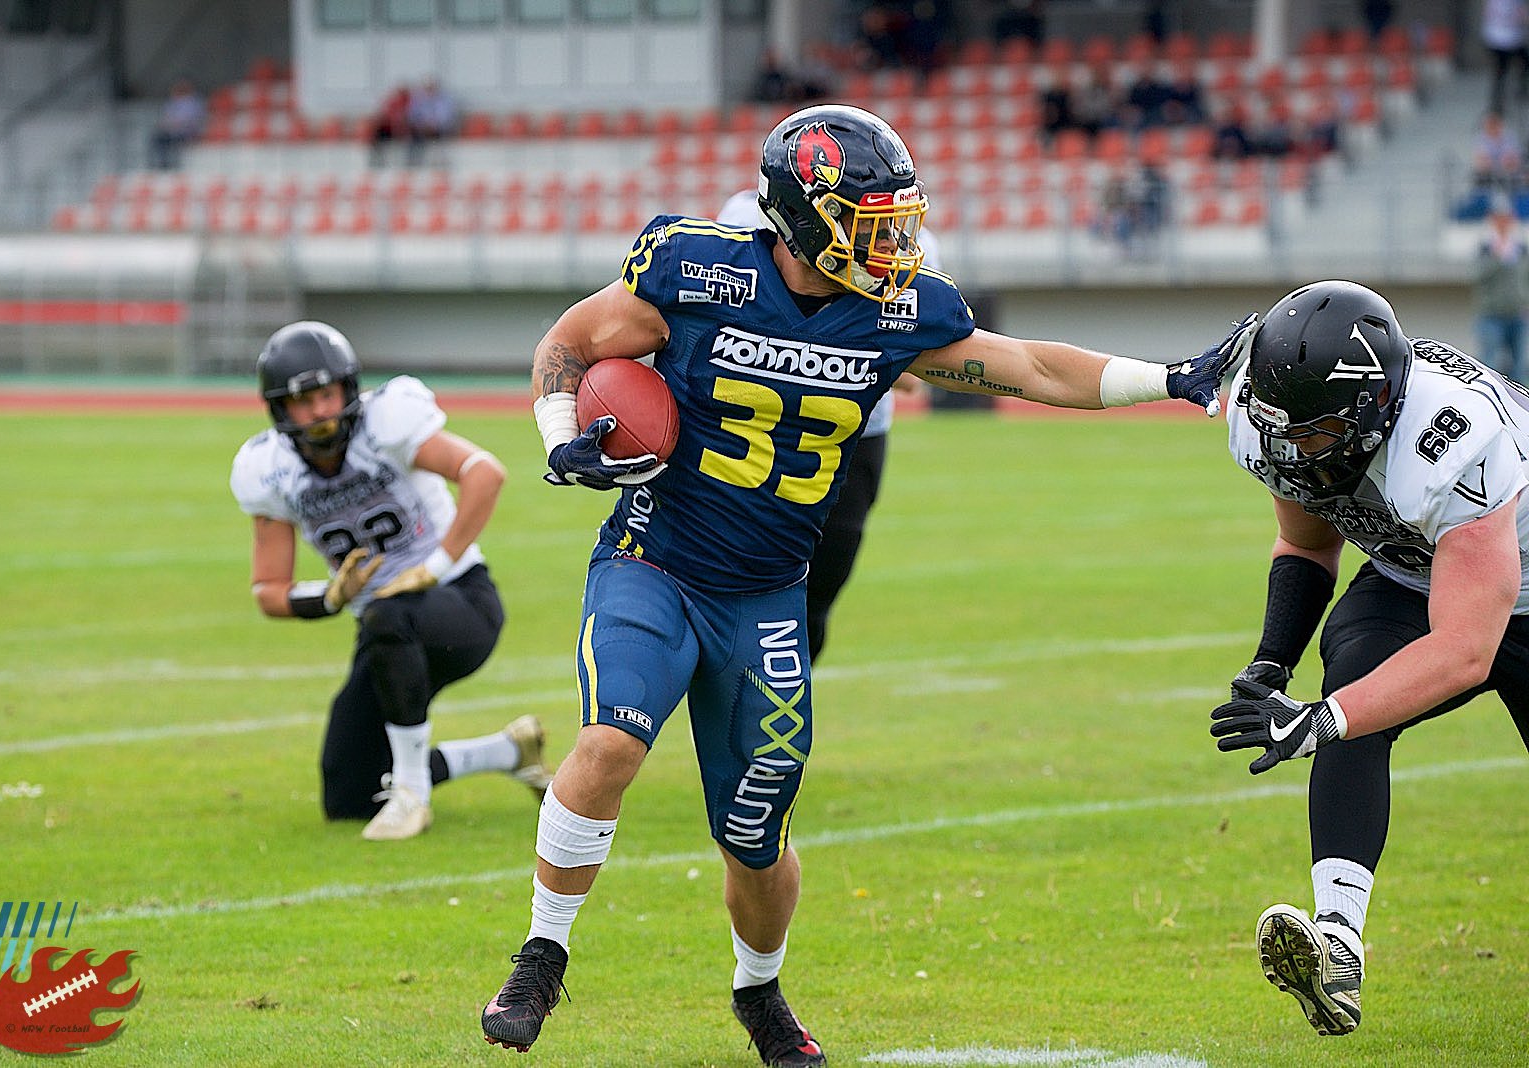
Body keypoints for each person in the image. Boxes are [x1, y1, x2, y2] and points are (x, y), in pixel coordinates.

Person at [478, 103, 1245, 1066]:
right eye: (870, 221)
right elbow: (572, 339)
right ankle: (541, 956)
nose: (893, 243)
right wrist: (563, 441)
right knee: (609, 741)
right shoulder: (697, 268)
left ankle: (758, 991)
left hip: (768, 593)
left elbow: (1031, 367)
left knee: (756, 834)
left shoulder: (898, 312)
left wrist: (1169, 377)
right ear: (806, 217)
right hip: (655, 562)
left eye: (898, 221)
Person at [1207, 280, 1529, 1037]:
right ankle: (1338, 945)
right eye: (1282, 429)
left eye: (1316, 432)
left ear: (1374, 407)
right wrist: (1272, 663)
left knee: (1342, 713)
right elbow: (1306, 541)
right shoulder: (1274, 418)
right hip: (1414, 571)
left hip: (1506, 581)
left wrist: (1319, 721)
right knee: (1354, 685)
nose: (1293, 449)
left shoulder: (1452, 440)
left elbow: (1464, 650)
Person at [229, 321, 553, 842]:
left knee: (386, 613)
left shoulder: (386, 424)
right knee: (349, 795)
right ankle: (507, 751)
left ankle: (411, 795)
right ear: (279, 409)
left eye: (327, 394)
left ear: (348, 389)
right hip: (383, 629)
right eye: (303, 402)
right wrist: (329, 597)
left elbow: (483, 472)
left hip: (460, 601)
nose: (320, 411)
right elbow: (268, 589)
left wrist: (435, 566)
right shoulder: (269, 470)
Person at [714, 186, 944, 660]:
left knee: (814, 601)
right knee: (723, 585)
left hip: (849, 439)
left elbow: (914, 377)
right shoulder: (743, 216)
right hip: (752, 426)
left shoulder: (914, 244)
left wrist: (827, 354)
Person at [1475, 194, 1529, 382]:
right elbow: (1478, 275)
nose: (1503, 222)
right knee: (1490, 364)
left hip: (1518, 315)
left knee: (1519, 367)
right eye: (1499, 218)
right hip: (1492, 315)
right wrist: (1497, 256)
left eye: (1506, 217)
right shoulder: (1486, 247)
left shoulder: (1521, 248)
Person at [148, 79, 206, 171]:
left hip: (188, 133)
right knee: (157, 138)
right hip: (172, 132)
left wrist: (175, 124)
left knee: (170, 139)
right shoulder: (172, 102)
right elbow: (165, 119)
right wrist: (168, 125)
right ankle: (162, 165)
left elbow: (191, 121)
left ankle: (174, 167)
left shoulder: (194, 102)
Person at [406, 77, 458, 166]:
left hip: (439, 129)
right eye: (428, 87)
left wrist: (434, 124)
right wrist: (423, 124)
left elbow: (447, 117)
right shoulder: (418, 100)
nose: (430, 89)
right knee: (414, 138)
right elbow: (412, 116)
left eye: (431, 87)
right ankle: (414, 163)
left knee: (440, 137)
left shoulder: (444, 100)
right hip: (421, 129)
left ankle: (441, 163)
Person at [368, 83, 412, 168]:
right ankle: (378, 159)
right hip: (390, 130)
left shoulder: (410, 105)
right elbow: (387, 117)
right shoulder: (393, 103)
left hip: (403, 130)